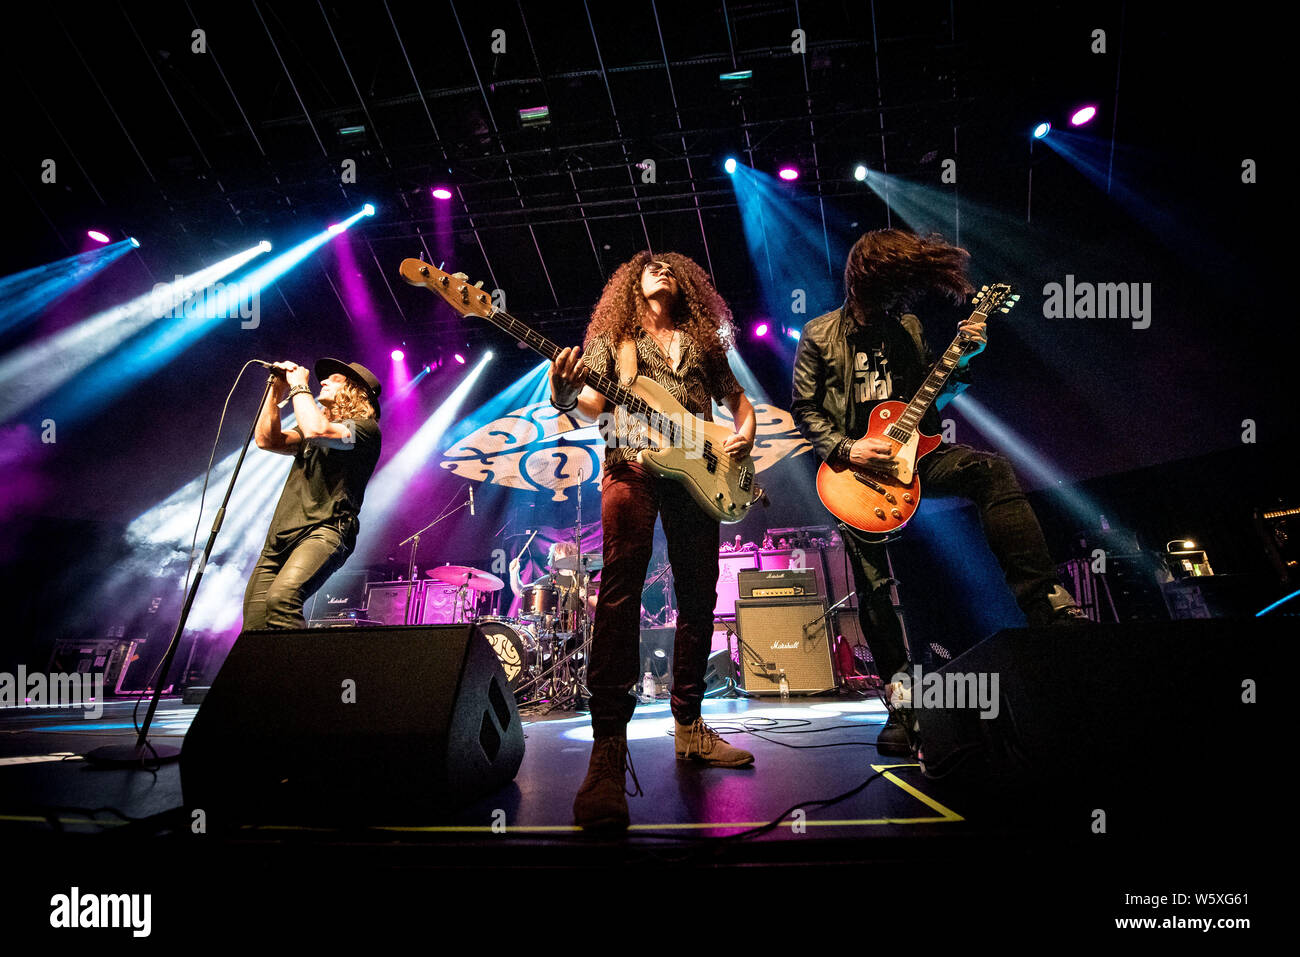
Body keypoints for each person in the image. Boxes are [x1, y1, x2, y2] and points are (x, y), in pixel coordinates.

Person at [790, 229, 1086, 756]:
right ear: (863, 280)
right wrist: (848, 449)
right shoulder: (818, 333)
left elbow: (929, 404)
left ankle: (1045, 604)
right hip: (852, 476)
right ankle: (902, 708)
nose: (893, 298)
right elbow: (806, 410)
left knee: (991, 470)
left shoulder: (906, 326)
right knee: (876, 589)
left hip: (916, 456)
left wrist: (963, 360)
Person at [550, 251, 758, 829]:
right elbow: (590, 404)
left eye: (672, 265)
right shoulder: (615, 339)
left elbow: (739, 403)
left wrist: (742, 433)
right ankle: (608, 749)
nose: (663, 267)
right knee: (621, 588)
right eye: (651, 264)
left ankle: (690, 728)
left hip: (700, 469)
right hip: (631, 462)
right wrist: (565, 396)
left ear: (687, 283)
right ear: (631, 285)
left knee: (698, 594)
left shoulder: (702, 343)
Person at [243, 358, 383, 630]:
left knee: (283, 599)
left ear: (355, 391)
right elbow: (267, 440)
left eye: (335, 379)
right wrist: (276, 389)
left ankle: (301, 673)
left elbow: (316, 430)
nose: (325, 381)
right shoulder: (315, 425)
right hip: (280, 538)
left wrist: (298, 386)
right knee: (255, 624)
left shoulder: (365, 429)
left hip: (325, 530)